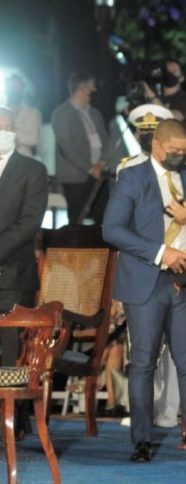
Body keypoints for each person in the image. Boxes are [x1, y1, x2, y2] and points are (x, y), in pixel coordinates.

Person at [102, 119, 186, 463]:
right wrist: (160, 252)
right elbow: (111, 229)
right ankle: (141, 440)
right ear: (156, 146)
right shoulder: (132, 177)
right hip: (146, 280)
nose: (179, 158)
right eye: (173, 152)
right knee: (143, 363)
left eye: (184, 152)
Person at [0, 106, 48, 439]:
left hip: (12, 276)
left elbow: (29, 223)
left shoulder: (32, 170)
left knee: (8, 349)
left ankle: (13, 417)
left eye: (7, 127)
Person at [52, 71, 111, 225]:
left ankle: (100, 248)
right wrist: (91, 168)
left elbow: (105, 141)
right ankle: (75, 248)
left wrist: (102, 163)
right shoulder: (61, 113)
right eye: (91, 86)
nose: (94, 89)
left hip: (100, 174)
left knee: (103, 217)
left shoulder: (95, 113)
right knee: (77, 219)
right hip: (76, 177)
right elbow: (67, 147)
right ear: (82, 87)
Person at [116, 104, 174, 177]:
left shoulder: (180, 166)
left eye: (154, 130)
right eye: (145, 130)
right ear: (137, 134)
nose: (150, 134)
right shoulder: (126, 167)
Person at [144, 59, 186, 131]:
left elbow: (170, 117)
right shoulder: (157, 93)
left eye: (174, 71)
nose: (169, 74)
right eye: (167, 71)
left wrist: (151, 95)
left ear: (182, 78)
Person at [4, 74, 41, 157]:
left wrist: (7, 133)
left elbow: (33, 139)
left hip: (25, 160)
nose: (15, 90)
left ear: (23, 90)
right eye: (12, 87)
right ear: (6, 89)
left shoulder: (33, 113)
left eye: (18, 87)